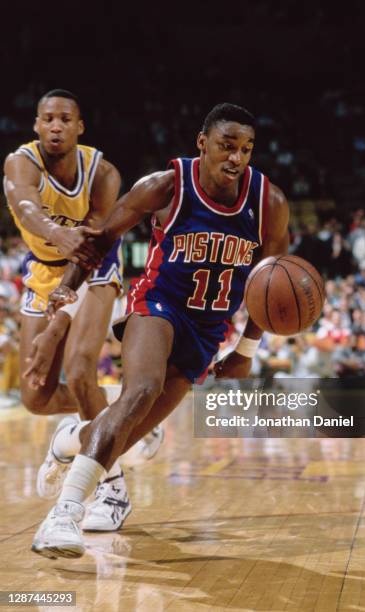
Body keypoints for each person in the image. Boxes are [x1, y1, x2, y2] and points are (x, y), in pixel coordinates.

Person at [27, 102, 290, 559]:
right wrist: (68, 286)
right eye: (228, 146)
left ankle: (69, 439)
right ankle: (64, 513)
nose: (237, 158)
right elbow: (104, 235)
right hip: (158, 304)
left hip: (208, 330)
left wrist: (246, 349)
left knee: (125, 436)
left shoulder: (269, 202)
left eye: (246, 149)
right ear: (202, 143)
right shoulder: (168, 185)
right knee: (140, 390)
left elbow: (270, 280)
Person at [3, 89, 162, 533]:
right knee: (34, 396)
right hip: (43, 269)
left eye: (64, 119)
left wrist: (56, 328)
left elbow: (88, 252)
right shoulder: (20, 162)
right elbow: (26, 206)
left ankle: (112, 489)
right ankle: (127, 412)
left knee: (78, 368)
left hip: (92, 269)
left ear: (79, 127)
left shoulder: (104, 174)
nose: (55, 126)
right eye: (48, 118)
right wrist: (58, 232)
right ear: (37, 125)